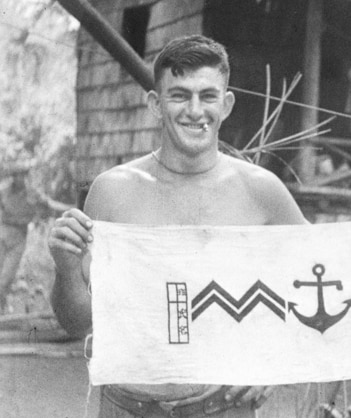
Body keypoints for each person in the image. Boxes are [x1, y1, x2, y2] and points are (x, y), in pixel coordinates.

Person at [48, 35, 308, 418]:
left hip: (223, 408)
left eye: (208, 95)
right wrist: (65, 270)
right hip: (125, 406)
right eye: (179, 95)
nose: (195, 110)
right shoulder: (112, 192)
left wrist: (276, 354)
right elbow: (77, 322)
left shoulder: (260, 192)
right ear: (155, 104)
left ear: (227, 104)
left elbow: (328, 280)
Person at [0, 162, 71, 313]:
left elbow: (50, 204)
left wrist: (71, 208)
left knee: (6, 278)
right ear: (13, 177)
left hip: (18, 238)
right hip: (3, 233)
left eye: (23, 175)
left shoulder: (31, 193)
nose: (21, 179)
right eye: (17, 176)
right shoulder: (3, 191)